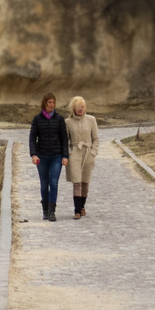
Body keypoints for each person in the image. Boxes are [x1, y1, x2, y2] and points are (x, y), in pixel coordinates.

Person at [28, 92, 69, 221]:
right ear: (44, 103)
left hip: (56, 156)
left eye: (53, 102)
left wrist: (65, 156)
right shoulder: (37, 119)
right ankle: (45, 210)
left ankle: (52, 211)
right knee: (44, 184)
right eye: (49, 102)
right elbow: (32, 138)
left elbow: (64, 139)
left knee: (54, 183)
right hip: (42, 157)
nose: (51, 104)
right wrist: (33, 154)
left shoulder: (59, 119)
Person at [64, 96, 100, 219]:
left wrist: (93, 152)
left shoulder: (91, 120)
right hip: (74, 153)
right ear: (73, 108)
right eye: (78, 107)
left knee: (85, 183)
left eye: (83, 107)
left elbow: (96, 138)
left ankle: (82, 206)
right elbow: (65, 140)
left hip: (88, 153)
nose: (80, 109)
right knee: (76, 182)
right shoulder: (68, 122)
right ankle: (77, 211)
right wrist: (69, 152)